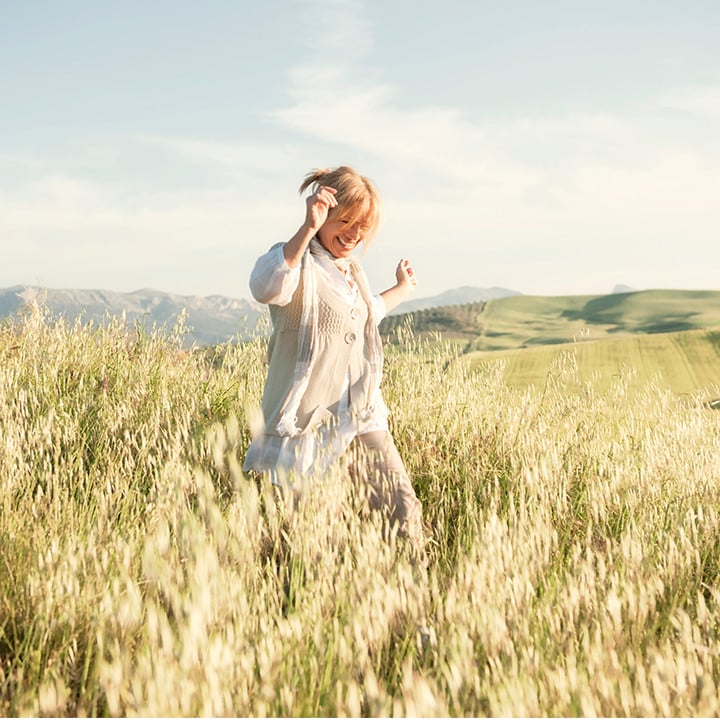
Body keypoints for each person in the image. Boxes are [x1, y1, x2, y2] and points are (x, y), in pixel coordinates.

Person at [243, 165, 424, 555]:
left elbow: (364, 315)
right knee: (302, 539)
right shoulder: (296, 262)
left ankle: (413, 612)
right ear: (325, 214)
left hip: (359, 415)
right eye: (346, 221)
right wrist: (306, 228)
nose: (354, 235)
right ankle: (296, 608)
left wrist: (401, 290)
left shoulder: (352, 272)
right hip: (304, 424)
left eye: (363, 227)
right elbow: (264, 286)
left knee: (404, 511)